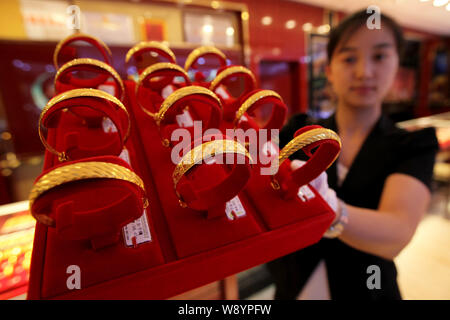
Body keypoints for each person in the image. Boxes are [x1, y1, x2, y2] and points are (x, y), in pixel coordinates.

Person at [266, 9, 439, 300]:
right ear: (329, 70)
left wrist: (330, 208)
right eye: (348, 58)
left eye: (380, 57)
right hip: (293, 286)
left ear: (397, 66)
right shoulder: (299, 131)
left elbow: (396, 233)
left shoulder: (413, 144)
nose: (363, 72)